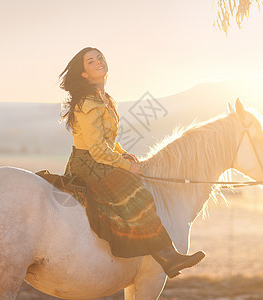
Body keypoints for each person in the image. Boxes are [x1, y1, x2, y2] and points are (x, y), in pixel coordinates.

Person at [59, 47, 204, 278]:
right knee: (137, 193)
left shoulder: (105, 99)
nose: (98, 62)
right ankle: (167, 255)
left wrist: (124, 154)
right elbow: (96, 150)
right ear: (84, 74)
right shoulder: (87, 103)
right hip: (87, 163)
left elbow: (108, 141)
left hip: (98, 158)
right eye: (90, 62)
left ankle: (162, 253)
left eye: (99, 57)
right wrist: (128, 167)